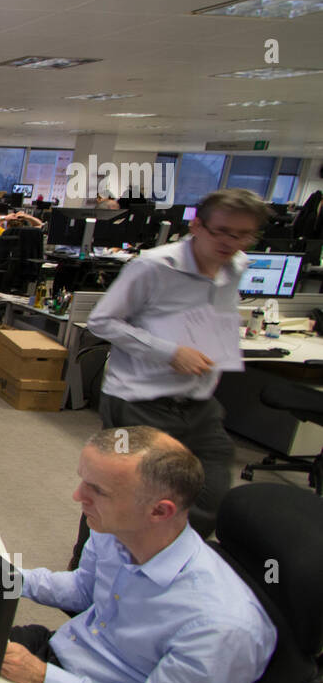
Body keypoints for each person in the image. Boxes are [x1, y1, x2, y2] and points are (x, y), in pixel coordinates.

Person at [3, 427, 275, 683]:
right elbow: (84, 589)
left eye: (97, 490)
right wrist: (3, 577)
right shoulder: (113, 530)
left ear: (160, 510)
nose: (77, 496)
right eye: (82, 480)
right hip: (63, 656)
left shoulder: (221, 624)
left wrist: (43, 678)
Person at [80, 187, 267, 552]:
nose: (232, 242)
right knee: (117, 498)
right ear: (197, 226)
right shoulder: (154, 266)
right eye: (223, 231)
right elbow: (101, 321)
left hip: (199, 402)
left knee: (209, 498)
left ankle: (156, 566)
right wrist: (169, 352)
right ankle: (90, 574)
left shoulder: (237, 267)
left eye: (244, 234)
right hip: (140, 400)